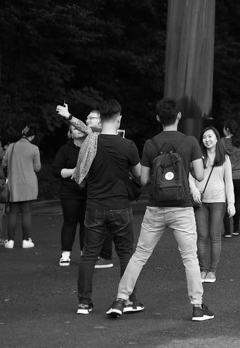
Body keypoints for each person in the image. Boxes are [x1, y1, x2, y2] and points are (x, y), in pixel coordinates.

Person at [109, 97, 212, 321]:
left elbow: (144, 179)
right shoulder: (190, 142)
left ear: (158, 118)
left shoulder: (150, 144)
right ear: (179, 116)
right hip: (182, 207)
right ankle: (197, 307)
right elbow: (200, 175)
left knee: (139, 256)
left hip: (155, 207)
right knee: (190, 258)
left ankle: (121, 299)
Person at [75, 99, 142, 316]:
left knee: (89, 256)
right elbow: (139, 175)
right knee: (125, 254)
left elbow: (81, 172)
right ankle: (128, 299)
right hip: (120, 206)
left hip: (94, 205)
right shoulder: (128, 145)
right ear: (119, 118)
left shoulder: (89, 143)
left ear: (100, 119)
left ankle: (84, 303)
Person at [51, 118, 113, 267]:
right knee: (70, 222)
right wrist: (75, 171)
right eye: (74, 129)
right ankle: (65, 255)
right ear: (70, 133)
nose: (77, 130)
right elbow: (55, 171)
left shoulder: (91, 146)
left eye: (79, 128)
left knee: (86, 224)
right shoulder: (65, 149)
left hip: (88, 191)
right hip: (69, 191)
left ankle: (85, 253)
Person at [194, 126, 235, 283]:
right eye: (204, 137)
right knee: (202, 236)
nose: (207, 140)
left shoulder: (224, 158)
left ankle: (212, 271)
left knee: (215, 236)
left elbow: (229, 183)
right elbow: (190, 177)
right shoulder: (198, 157)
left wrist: (231, 203)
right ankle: (203, 269)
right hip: (200, 201)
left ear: (217, 138)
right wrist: (194, 191)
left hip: (218, 201)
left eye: (210, 136)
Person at [2, 124, 41, 249]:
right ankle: (25, 240)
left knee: (13, 212)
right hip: (29, 184)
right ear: (32, 136)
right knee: (27, 212)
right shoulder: (34, 149)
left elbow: (4, 163)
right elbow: (37, 168)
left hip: (14, 183)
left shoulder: (11, 147)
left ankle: (10, 240)